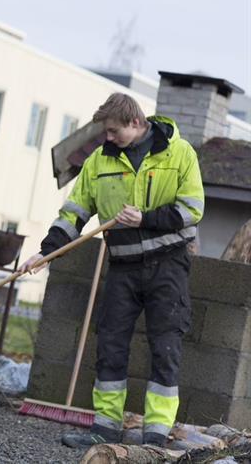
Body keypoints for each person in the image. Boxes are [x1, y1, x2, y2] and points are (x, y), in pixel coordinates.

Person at [19, 93, 204, 448]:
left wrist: (145, 219)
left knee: (166, 347)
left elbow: (192, 210)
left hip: (169, 265)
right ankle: (104, 429)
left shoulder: (180, 154)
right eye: (105, 132)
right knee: (111, 345)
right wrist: (46, 253)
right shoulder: (98, 162)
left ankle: (156, 436)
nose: (108, 138)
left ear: (135, 123)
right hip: (122, 267)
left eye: (113, 131)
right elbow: (74, 212)